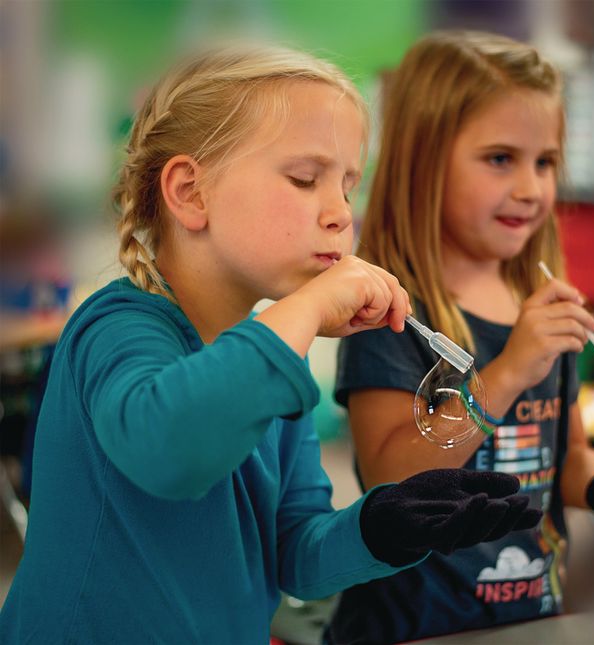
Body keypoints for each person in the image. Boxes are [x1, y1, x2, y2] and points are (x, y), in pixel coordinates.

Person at [0, 44, 543, 644]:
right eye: (305, 179)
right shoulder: (117, 327)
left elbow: (296, 556)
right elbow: (169, 451)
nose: (341, 213)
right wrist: (305, 308)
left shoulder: (276, 363)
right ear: (191, 193)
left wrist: (384, 529)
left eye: (348, 185)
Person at [325, 30, 594, 644]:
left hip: (529, 619)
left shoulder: (539, 303)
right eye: (501, 158)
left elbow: (567, 454)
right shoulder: (390, 312)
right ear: (424, 164)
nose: (531, 187)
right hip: (411, 628)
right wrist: (508, 371)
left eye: (545, 161)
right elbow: (393, 480)